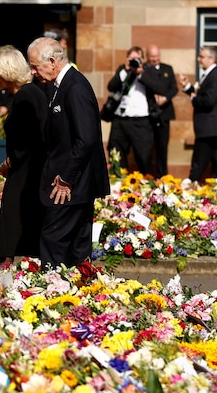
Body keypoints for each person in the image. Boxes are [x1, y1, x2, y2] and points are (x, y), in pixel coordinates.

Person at [27, 36, 110, 269]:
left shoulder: (74, 87)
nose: (33, 72)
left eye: (35, 66)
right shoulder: (60, 85)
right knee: (76, 249)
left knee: (53, 240)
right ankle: (77, 296)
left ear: (52, 61)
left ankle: (52, 292)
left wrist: (66, 179)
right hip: (73, 183)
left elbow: (86, 140)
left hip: (71, 185)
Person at [0, 46, 48, 267]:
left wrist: (10, 161)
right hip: (29, 171)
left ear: (7, 72)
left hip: (26, 174)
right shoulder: (31, 93)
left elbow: (32, 137)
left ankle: (3, 275)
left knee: (11, 222)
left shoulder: (25, 97)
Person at [106, 46, 163, 176]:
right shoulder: (123, 69)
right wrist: (125, 70)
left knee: (144, 157)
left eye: (136, 59)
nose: (133, 62)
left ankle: (147, 186)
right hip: (120, 120)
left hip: (141, 122)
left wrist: (141, 73)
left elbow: (159, 88)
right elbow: (111, 87)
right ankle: (117, 185)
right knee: (116, 155)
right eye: (131, 59)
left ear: (142, 59)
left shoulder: (149, 70)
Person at [178, 46, 217, 181]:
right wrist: (188, 88)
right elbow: (203, 94)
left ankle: (189, 189)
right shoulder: (209, 75)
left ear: (211, 59)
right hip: (213, 129)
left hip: (210, 128)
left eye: (201, 57)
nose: (198, 59)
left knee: (198, 163)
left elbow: (208, 101)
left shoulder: (215, 76)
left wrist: (193, 98)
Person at [145, 44, 178, 177]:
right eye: (152, 56)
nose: (155, 59)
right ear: (147, 57)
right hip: (148, 115)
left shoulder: (167, 69)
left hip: (164, 114)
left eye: (157, 56)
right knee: (147, 148)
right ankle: (148, 175)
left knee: (162, 147)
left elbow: (174, 88)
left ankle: (162, 174)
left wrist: (165, 98)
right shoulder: (144, 70)